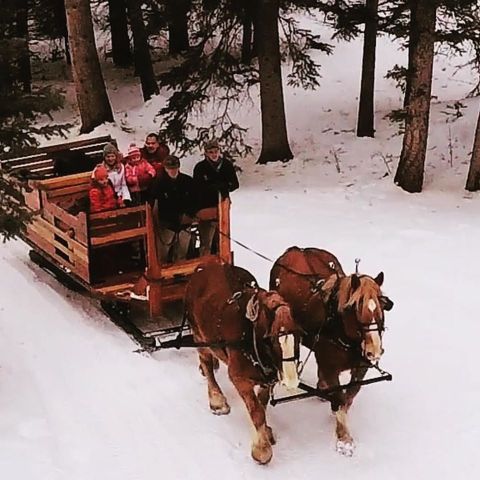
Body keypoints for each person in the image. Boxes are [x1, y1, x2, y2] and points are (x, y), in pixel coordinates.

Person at [193, 138, 239, 255]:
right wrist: (211, 188)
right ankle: (205, 264)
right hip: (206, 207)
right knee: (207, 241)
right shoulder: (200, 167)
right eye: (211, 152)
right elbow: (198, 187)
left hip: (222, 206)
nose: (214, 154)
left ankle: (222, 262)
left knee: (222, 239)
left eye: (216, 151)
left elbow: (235, 184)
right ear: (206, 153)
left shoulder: (226, 165)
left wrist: (224, 187)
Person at [149, 155, 197, 263]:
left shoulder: (188, 181)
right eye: (170, 169)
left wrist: (189, 214)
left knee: (182, 254)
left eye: (175, 168)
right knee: (162, 255)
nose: (173, 171)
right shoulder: (158, 183)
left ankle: (181, 276)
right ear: (165, 169)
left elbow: (195, 200)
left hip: (185, 223)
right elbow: (154, 203)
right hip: (167, 225)